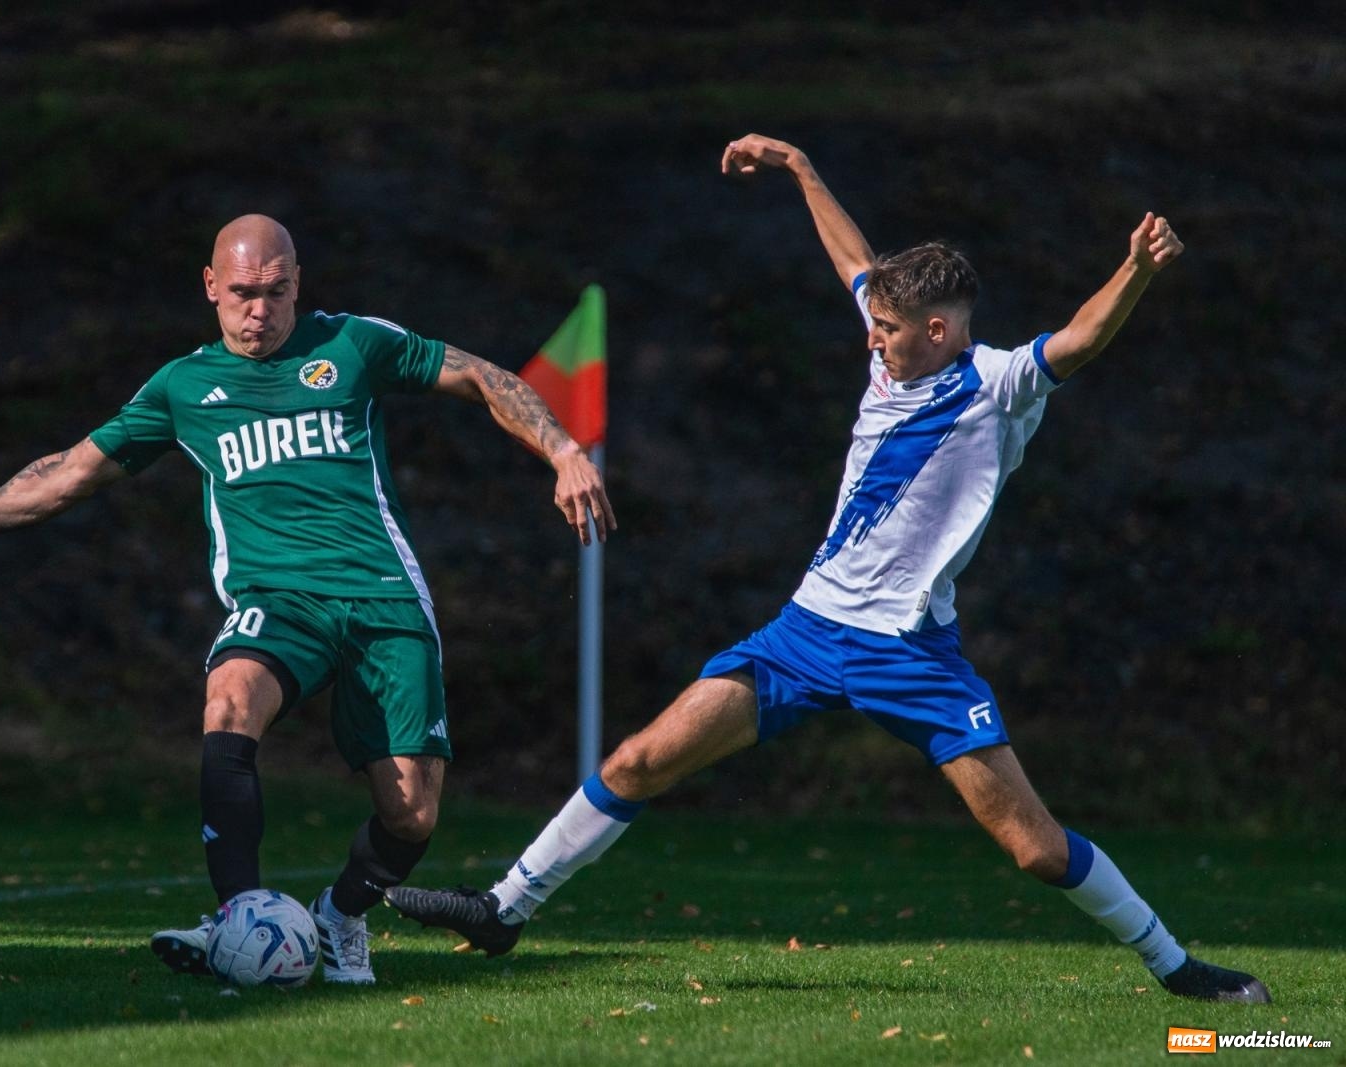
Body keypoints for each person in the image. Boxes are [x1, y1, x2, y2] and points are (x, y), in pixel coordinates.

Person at [386, 134, 1270, 1004]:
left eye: (887, 329)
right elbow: (853, 258)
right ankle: (505, 906)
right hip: (804, 633)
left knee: (1034, 849)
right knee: (641, 756)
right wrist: (801, 168)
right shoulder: (893, 350)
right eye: (873, 322)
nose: (871, 340)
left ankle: (1176, 967)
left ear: (937, 329)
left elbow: (1078, 339)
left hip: (912, 653)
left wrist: (1139, 271)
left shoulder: (998, 383)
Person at [0, 214, 616, 986]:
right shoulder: (183, 387)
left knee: (412, 814)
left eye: (275, 292)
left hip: (381, 593)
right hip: (276, 598)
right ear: (210, 287)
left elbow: (478, 375)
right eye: (241, 294)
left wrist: (564, 450)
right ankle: (239, 918)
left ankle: (339, 917)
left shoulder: (353, 345)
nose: (259, 310)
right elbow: (65, 472)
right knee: (229, 698)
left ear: (298, 283)